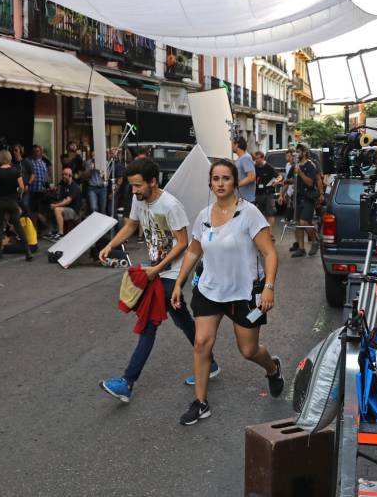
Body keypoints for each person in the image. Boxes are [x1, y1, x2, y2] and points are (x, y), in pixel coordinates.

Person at [172, 159, 283, 425]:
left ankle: (272, 368)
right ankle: (201, 403)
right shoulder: (203, 215)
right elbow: (194, 251)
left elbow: (269, 253)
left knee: (248, 350)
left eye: (226, 178)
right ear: (210, 183)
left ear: (235, 182)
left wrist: (268, 287)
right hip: (209, 289)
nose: (220, 183)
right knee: (201, 343)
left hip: (244, 293)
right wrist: (179, 282)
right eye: (216, 179)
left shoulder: (249, 213)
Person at [97, 158, 217, 403]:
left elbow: (183, 243)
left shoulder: (170, 205)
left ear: (153, 181)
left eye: (138, 186)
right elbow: (131, 225)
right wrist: (110, 244)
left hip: (172, 272)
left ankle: (127, 382)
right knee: (181, 317)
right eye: (132, 186)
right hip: (156, 269)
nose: (134, 190)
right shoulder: (138, 200)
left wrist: (159, 268)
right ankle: (210, 362)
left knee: (149, 323)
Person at [0, 149, 33, 261]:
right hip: (12, 202)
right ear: (9, 158)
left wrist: (0, 189)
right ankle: (28, 252)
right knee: (18, 227)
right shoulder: (16, 170)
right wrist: (18, 195)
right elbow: (22, 186)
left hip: (0, 202)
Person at [280, 144, 319, 257]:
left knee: (303, 222)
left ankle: (315, 240)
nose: (295, 154)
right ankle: (301, 248)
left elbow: (310, 183)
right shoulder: (294, 166)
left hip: (308, 197)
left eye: (298, 152)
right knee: (299, 223)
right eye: (295, 152)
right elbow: (292, 180)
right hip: (297, 198)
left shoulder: (310, 166)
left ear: (304, 152)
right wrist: (283, 183)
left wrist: (300, 172)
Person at [47, 168, 82, 240]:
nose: (63, 176)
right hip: (66, 208)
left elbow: (67, 201)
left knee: (57, 209)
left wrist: (55, 205)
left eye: (65, 174)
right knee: (50, 207)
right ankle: (55, 230)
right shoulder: (64, 185)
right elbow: (62, 199)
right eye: (62, 174)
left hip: (74, 211)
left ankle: (60, 233)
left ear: (70, 175)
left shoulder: (74, 186)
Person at [253, 151, 279, 225]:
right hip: (258, 194)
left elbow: (279, 177)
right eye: (255, 159)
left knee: (270, 214)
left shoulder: (269, 167)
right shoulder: (254, 167)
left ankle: (270, 234)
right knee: (259, 215)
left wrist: (275, 182)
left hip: (268, 194)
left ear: (262, 158)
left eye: (258, 158)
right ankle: (263, 232)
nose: (256, 160)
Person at [27, 145, 50, 229]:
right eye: (35, 151)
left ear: (41, 152)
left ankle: (40, 229)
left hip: (42, 191)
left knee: (40, 211)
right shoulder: (29, 162)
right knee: (33, 212)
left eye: (38, 151)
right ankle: (34, 229)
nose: (36, 153)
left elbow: (46, 176)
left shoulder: (43, 163)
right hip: (32, 191)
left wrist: (48, 185)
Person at [232, 137, 256, 203]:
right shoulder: (240, 158)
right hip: (240, 199)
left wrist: (235, 185)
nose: (231, 146)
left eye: (232, 144)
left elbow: (251, 177)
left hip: (246, 200)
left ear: (236, 145)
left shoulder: (245, 157)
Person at [85, 151, 107, 215]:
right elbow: (86, 176)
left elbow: (106, 177)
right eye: (93, 156)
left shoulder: (105, 162)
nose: (94, 158)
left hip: (102, 188)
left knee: (102, 209)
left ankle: (102, 224)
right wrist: (91, 169)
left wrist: (101, 169)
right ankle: (95, 222)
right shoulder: (88, 163)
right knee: (93, 208)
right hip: (92, 188)